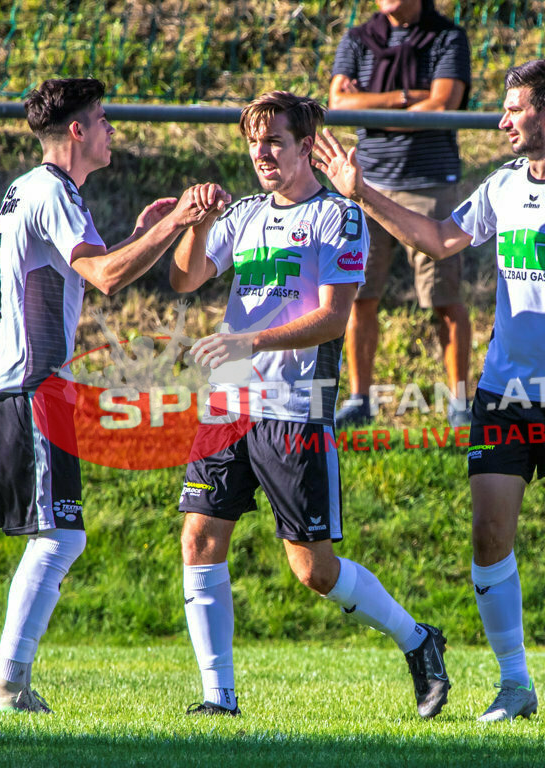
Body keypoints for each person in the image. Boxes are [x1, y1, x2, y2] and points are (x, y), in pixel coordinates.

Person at [313, 59, 545, 724]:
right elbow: (441, 240)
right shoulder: (503, 186)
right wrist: (362, 192)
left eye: (514, 108)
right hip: (504, 391)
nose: (502, 120)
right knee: (488, 535)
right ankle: (515, 684)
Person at [170, 90, 450, 719]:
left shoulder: (338, 218)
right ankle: (219, 699)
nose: (261, 153)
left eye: (274, 141)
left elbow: (332, 320)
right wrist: (197, 223)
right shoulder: (241, 214)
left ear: (304, 147)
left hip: (295, 406)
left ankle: (418, 639)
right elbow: (186, 279)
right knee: (199, 538)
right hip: (230, 402)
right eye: (253, 142)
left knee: (314, 572)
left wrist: (250, 338)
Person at [0, 77, 221, 714]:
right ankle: (3, 684)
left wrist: (149, 233)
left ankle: (9, 681)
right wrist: (177, 221)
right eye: (103, 119)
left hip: (35, 385)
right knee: (58, 538)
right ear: (77, 131)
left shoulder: (35, 189)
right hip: (32, 385)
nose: (112, 129)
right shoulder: (53, 190)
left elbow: (88, 265)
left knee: (57, 537)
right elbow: (105, 276)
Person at [329, 0, 473, 428]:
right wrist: (409, 101)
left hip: (429, 185)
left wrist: (373, 112)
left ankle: (459, 403)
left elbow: (445, 106)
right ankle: (359, 400)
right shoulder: (358, 38)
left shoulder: (447, 37)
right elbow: (336, 102)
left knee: (444, 298)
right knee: (358, 295)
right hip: (365, 186)